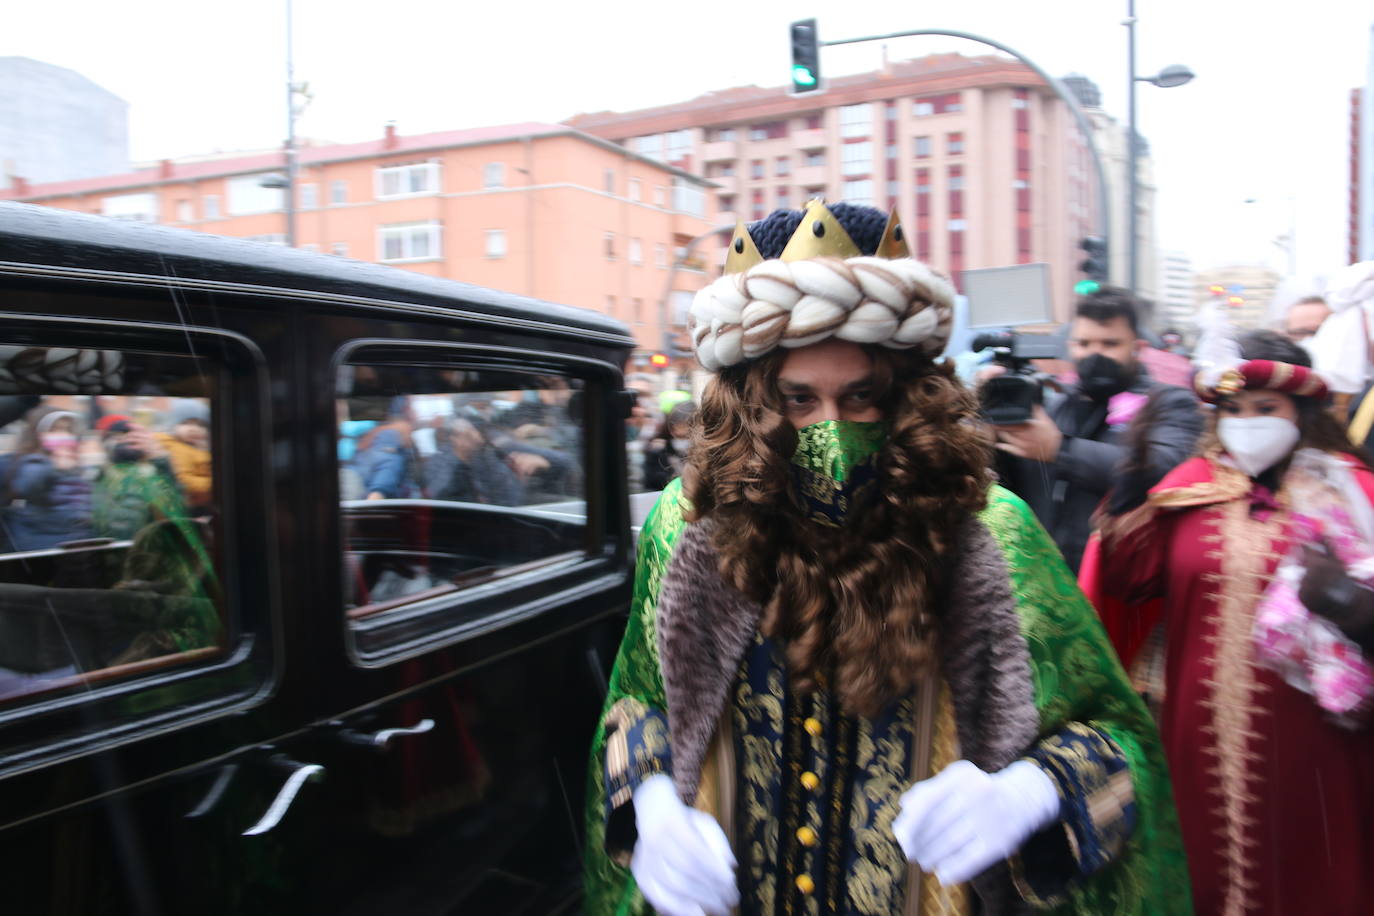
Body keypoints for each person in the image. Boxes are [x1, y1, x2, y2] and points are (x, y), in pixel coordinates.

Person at [583, 202, 1188, 916]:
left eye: (860, 397)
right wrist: (651, 804)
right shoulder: (685, 532)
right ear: (752, 402)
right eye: (798, 400)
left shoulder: (991, 534)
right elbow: (638, 702)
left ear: (905, 394)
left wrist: (1033, 793)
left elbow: (1119, 741)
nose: (829, 430)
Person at [1088, 330, 1374, 914]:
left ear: (1303, 411)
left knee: (1315, 870)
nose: (1248, 422)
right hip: (1197, 736)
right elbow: (1126, 583)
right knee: (1204, 872)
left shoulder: (1351, 491)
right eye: (1234, 409)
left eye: (1266, 408)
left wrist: (1350, 603)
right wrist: (1129, 495)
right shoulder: (1189, 486)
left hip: (1318, 745)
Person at [991, 286, 1203, 572]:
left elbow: (1161, 472)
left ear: (1137, 348)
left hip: (1120, 581)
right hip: (1051, 579)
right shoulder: (1057, 404)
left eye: (1110, 344)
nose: (1094, 354)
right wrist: (992, 436)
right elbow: (1016, 486)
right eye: (1084, 343)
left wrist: (1060, 450)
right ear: (1070, 347)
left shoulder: (1170, 402)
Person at [1, 406, 93, 550]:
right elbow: (28, 485)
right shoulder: (31, 462)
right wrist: (53, 466)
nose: (63, 435)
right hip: (37, 548)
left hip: (72, 546)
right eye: (55, 430)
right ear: (39, 434)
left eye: (68, 430)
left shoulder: (73, 466)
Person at [91, 416, 189, 541]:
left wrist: (161, 460)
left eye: (130, 436)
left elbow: (177, 511)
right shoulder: (100, 478)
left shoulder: (154, 473)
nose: (124, 440)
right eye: (116, 437)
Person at [156, 399, 213, 513]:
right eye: (185, 423)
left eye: (200, 425)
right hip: (190, 507)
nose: (194, 429)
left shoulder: (197, 447)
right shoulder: (178, 449)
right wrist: (213, 483)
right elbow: (183, 480)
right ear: (173, 427)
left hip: (203, 502)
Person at [641, 400, 694, 491]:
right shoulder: (658, 452)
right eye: (677, 427)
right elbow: (651, 483)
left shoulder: (704, 453)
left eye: (687, 427)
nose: (681, 432)